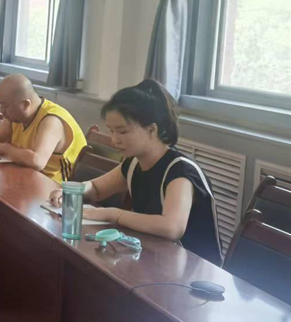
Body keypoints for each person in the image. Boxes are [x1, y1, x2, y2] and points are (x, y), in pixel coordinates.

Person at [48, 80, 221, 264]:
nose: (114, 140)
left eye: (122, 132)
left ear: (151, 130)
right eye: (111, 131)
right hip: (157, 258)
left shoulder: (180, 171)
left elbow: (172, 227)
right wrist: (71, 191)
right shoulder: (134, 163)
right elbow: (97, 189)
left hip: (195, 269)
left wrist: (114, 214)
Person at [0, 73, 86, 184]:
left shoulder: (51, 121)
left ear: (25, 104)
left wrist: (3, 148)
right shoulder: (16, 117)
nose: (2, 111)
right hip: (25, 178)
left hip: (54, 188)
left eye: (5, 106)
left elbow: (37, 161)